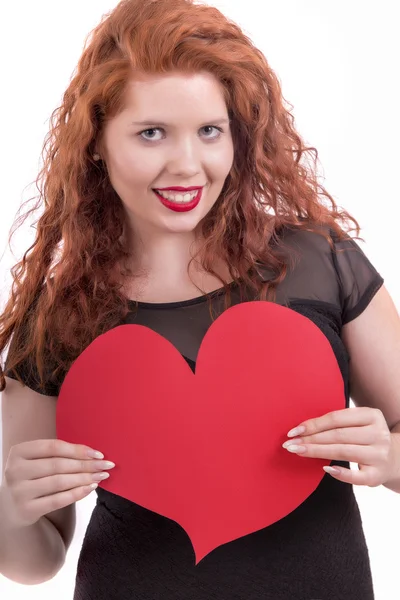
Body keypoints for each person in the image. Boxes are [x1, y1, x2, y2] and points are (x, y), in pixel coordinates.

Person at [0, 0, 399, 598]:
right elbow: (36, 562)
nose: (187, 165)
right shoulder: (58, 317)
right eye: (152, 132)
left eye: (209, 131)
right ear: (97, 144)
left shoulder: (321, 262)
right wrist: (9, 508)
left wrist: (388, 456)